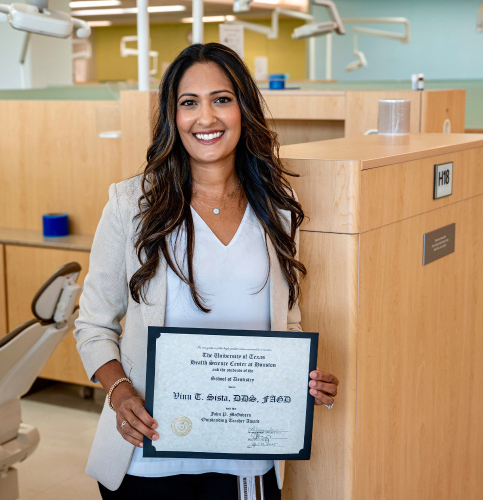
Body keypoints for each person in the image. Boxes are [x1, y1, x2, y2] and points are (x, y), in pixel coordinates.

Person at [74, 43, 339, 500]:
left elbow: (285, 324)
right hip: (149, 456)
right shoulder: (131, 205)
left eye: (222, 99)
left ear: (244, 108)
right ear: (172, 117)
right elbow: (93, 325)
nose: (206, 118)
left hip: (247, 457)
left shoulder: (276, 212)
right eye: (189, 103)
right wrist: (119, 391)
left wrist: (304, 377)